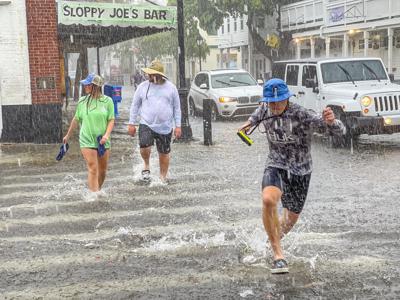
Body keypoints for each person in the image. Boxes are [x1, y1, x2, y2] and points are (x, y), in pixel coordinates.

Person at [238, 78, 345, 274]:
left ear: (288, 98)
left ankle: (268, 243)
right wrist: (245, 127)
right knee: (268, 199)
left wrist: (332, 121)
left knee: (289, 221)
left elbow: (337, 131)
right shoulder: (264, 109)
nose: (275, 105)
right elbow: (252, 120)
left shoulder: (301, 114)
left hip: (301, 170)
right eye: (272, 101)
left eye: (280, 101)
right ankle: (278, 255)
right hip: (276, 165)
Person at [127, 60, 182, 183]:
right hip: (146, 123)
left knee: (164, 153)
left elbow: (177, 108)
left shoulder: (171, 88)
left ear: (159, 75)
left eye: (151, 74)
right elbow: (135, 106)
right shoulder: (142, 87)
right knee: (144, 146)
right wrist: (131, 123)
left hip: (165, 126)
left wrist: (178, 126)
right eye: (148, 74)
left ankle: (162, 177)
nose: (149, 76)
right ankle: (146, 165)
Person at [63, 74, 115, 193]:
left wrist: (106, 135)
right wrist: (68, 135)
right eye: (85, 84)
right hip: (86, 139)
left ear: (96, 86)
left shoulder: (108, 101)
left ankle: (97, 189)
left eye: (88, 84)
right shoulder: (83, 101)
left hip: (103, 140)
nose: (85, 86)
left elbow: (111, 119)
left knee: (102, 171)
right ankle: (94, 195)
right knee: (93, 167)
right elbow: (76, 119)